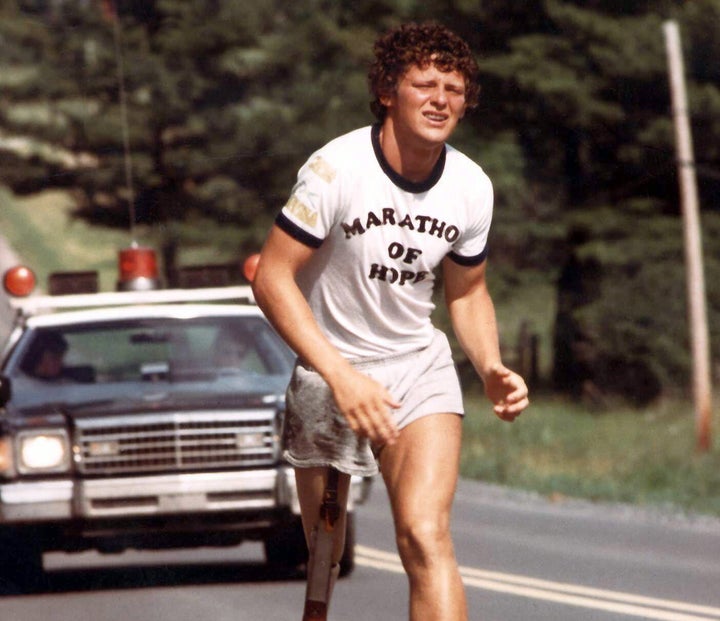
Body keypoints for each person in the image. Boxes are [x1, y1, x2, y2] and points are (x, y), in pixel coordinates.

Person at [252, 21, 530, 621]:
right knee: (325, 561)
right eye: (424, 84)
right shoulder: (335, 169)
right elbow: (271, 278)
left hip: (416, 369)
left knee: (426, 536)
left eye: (454, 89)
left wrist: (489, 365)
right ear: (387, 91)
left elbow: (468, 292)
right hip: (331, 371)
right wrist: (339, 375)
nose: (440, 99)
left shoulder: (470, 186)